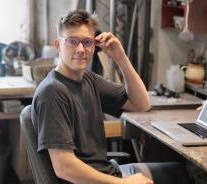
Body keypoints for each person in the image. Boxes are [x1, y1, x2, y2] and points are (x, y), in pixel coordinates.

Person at [32, 9, 189, 184]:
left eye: (87, 42)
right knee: (184, 176)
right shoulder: (53, 92)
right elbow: (64, 168)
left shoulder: (89, 80)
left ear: (94, 45)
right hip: (93, 180)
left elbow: (141, 104)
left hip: (108, 173)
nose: (81, 49)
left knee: (180, 173)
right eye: (72, 42)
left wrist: (121, 58)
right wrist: (123, 183)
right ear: (57, 45)